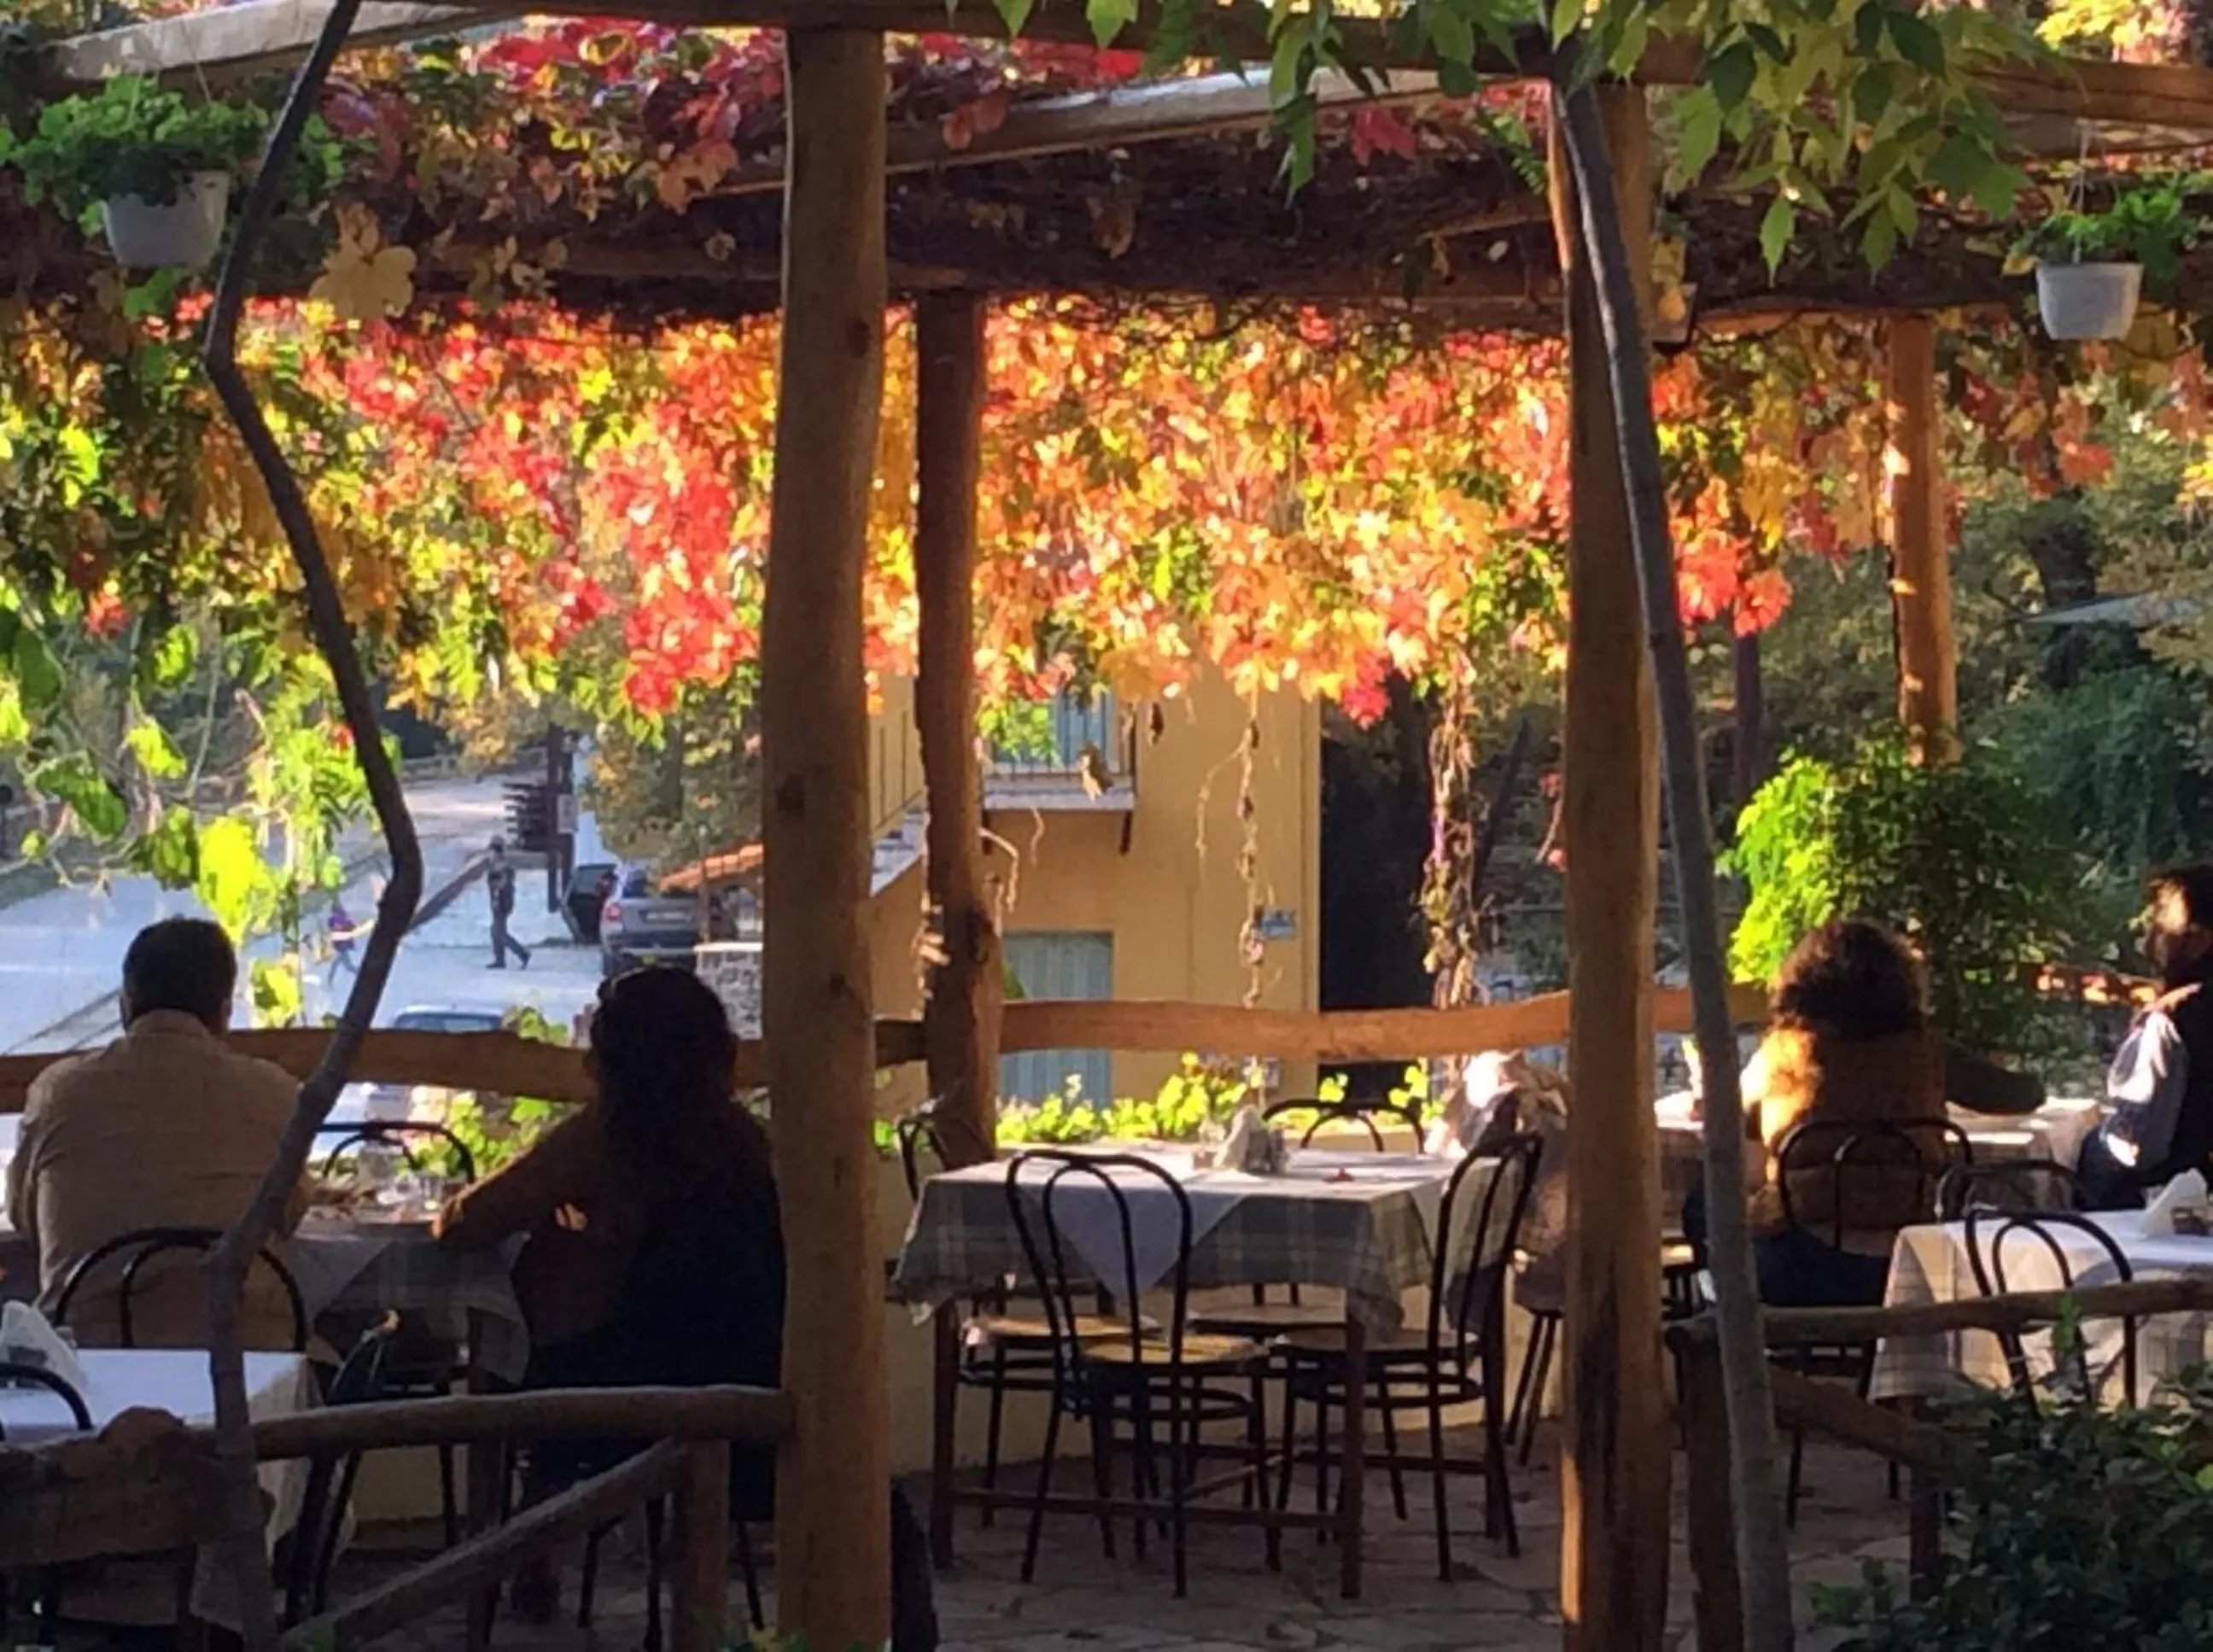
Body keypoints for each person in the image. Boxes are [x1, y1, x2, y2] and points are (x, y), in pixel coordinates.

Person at [1699, 919, 2036, 1305]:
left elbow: (1729, 1124)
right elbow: (2020, 1096)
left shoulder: (1778, 1055)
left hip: (1800, 1268)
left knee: (1702, 1205)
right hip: (1912, 1265)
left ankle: (1723, 1334)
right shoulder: (1927, 1052)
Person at [5, 917, 306, 1348]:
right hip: (248, 1358)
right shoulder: (275, 1092)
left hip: (93, 1361)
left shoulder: (59, 1092)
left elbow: (25, 1215)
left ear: (125, 1005)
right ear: (224, 1011)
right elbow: (288, 1213)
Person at [2082, 863, 2213, 1208]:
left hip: (2167, 1215)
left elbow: (2140, 1147)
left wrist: (2095, 1143)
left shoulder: (2171, 1020)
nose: (2147, 942)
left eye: (2159, 929)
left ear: (2199, 941)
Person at [486, 838, 530, 971]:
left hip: (502, 903)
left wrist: (496, 899)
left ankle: (522, 954)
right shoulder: (497, 866)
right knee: (496, 932)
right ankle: (500, 959)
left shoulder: (502, 867)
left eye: (492, 851)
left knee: (499, 933)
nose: (490, 854)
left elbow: (501, 886)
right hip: (499, 902)